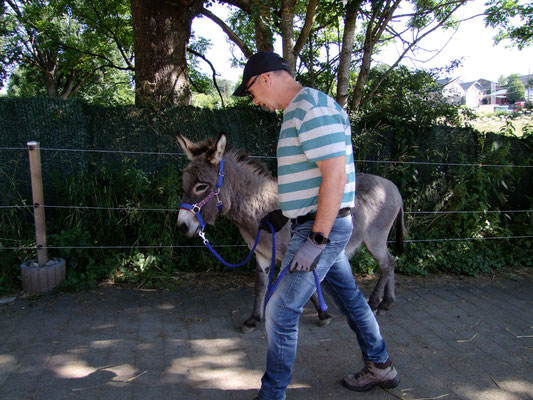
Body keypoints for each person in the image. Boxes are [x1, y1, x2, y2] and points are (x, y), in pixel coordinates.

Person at [233, 51, 400, 400]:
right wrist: (287, 213)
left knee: (279, 311)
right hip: (310, 224)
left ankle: (272, 394)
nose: (255, 101)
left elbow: (335, 176)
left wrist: (317, 237)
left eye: (251, 92)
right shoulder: (304, 109)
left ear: (265, 78)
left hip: (320, 231)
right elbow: (314, 177)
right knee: (351, 300)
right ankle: (380, 366)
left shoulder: (310, 108)